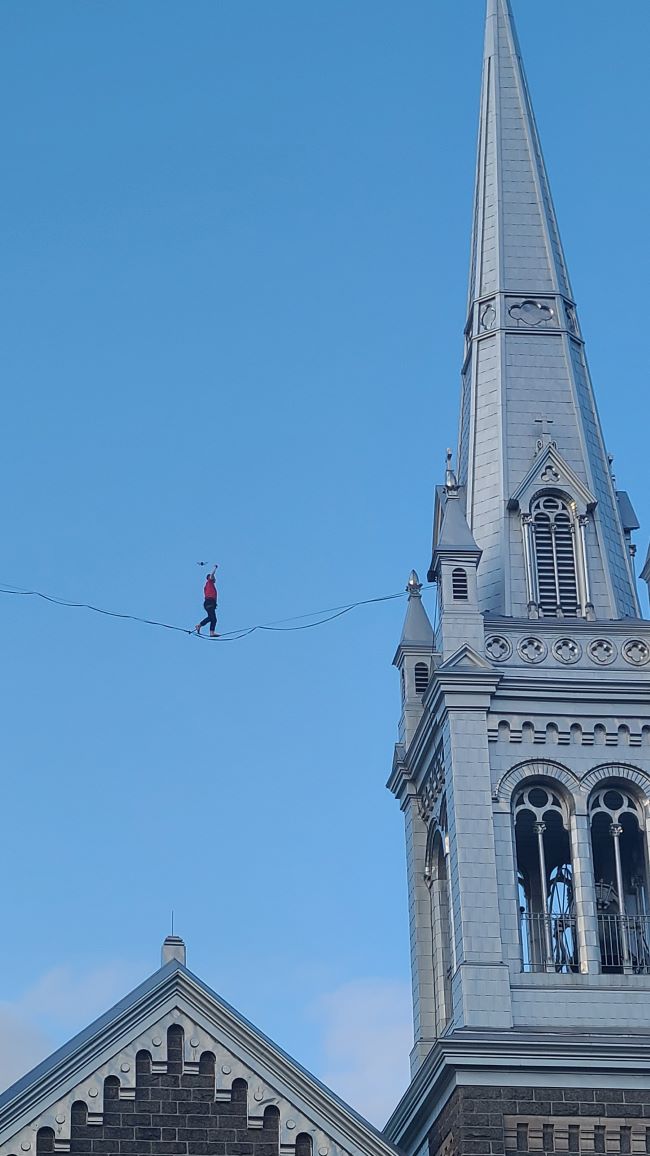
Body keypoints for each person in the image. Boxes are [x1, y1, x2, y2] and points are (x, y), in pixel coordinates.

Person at [196, 565, 218, 637]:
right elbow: (211, 575)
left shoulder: (209, 585)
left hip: (209, 603)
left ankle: (200, 625)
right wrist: (215, 568)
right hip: (209, 602)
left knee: (211, 618)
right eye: (213, 578)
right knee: (213, 619)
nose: (215, 579)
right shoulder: (209, 582)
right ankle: (211, 632)